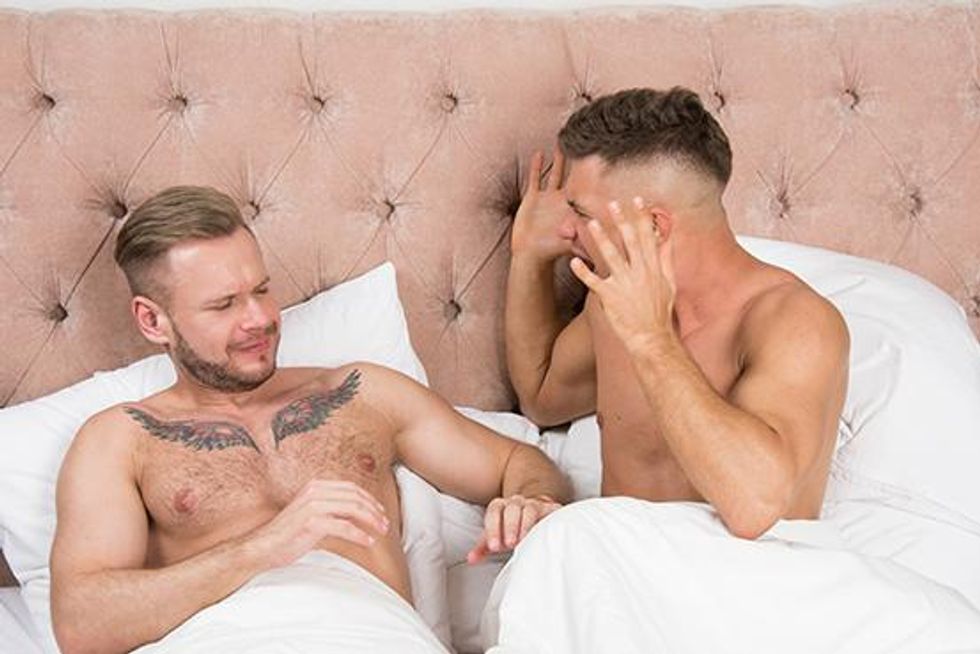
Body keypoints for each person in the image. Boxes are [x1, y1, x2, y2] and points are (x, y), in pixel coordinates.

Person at [49, 186, 570, 654]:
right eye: (224, 305)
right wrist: (266, 546)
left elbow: (519, 462)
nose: (259, 319)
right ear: (153, 320)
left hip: (370, 636)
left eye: (261, 290)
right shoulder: (120, 438)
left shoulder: (362, 393)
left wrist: (531, 500)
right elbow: (81, 625)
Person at [505, 86, 849, 538]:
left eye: (581, 213)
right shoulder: (613, 298)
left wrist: (651, 340)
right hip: (617, 566)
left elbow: (756, 507)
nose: (567, 230)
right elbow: (543, 398)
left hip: (744, 574)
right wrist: (529, 257)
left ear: (653, 226)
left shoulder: (796, 322)